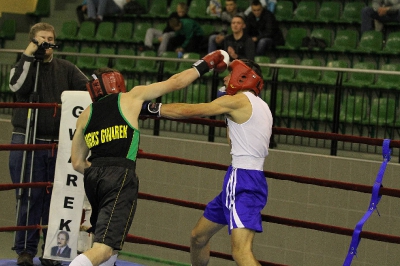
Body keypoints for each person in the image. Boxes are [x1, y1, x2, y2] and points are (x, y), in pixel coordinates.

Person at [69, 50, 229, 266]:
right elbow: (176, 82)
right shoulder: (131, 97)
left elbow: (78, 162)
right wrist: (205, 64)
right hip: (119, 176)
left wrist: (99, 171)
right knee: (104, 249)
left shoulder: (86, 113)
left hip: (93, 176)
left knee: (109, 242)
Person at [145, 58, 272, 266]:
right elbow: (234, 141)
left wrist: (153, 109)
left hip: (243, 181)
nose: (225, 77)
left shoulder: (239, 101)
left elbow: (190, 110)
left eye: (230, 74)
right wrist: (227, 117)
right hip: (241, 180)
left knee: (241, 253)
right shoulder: (262, 106)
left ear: (242, 77)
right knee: (198, 237)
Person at [8, 22, 88, 266]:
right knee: (29, 197)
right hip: (27, 139)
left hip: (58, 144)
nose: (47, 43)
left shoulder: (66, 68)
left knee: (56, 198)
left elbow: (89, 90)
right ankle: (25, 250)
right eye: (42, 38)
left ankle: (53, 250)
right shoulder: (23, 65)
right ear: (33, 40)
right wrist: (28, 55)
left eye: (50, 38)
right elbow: (15, 85)